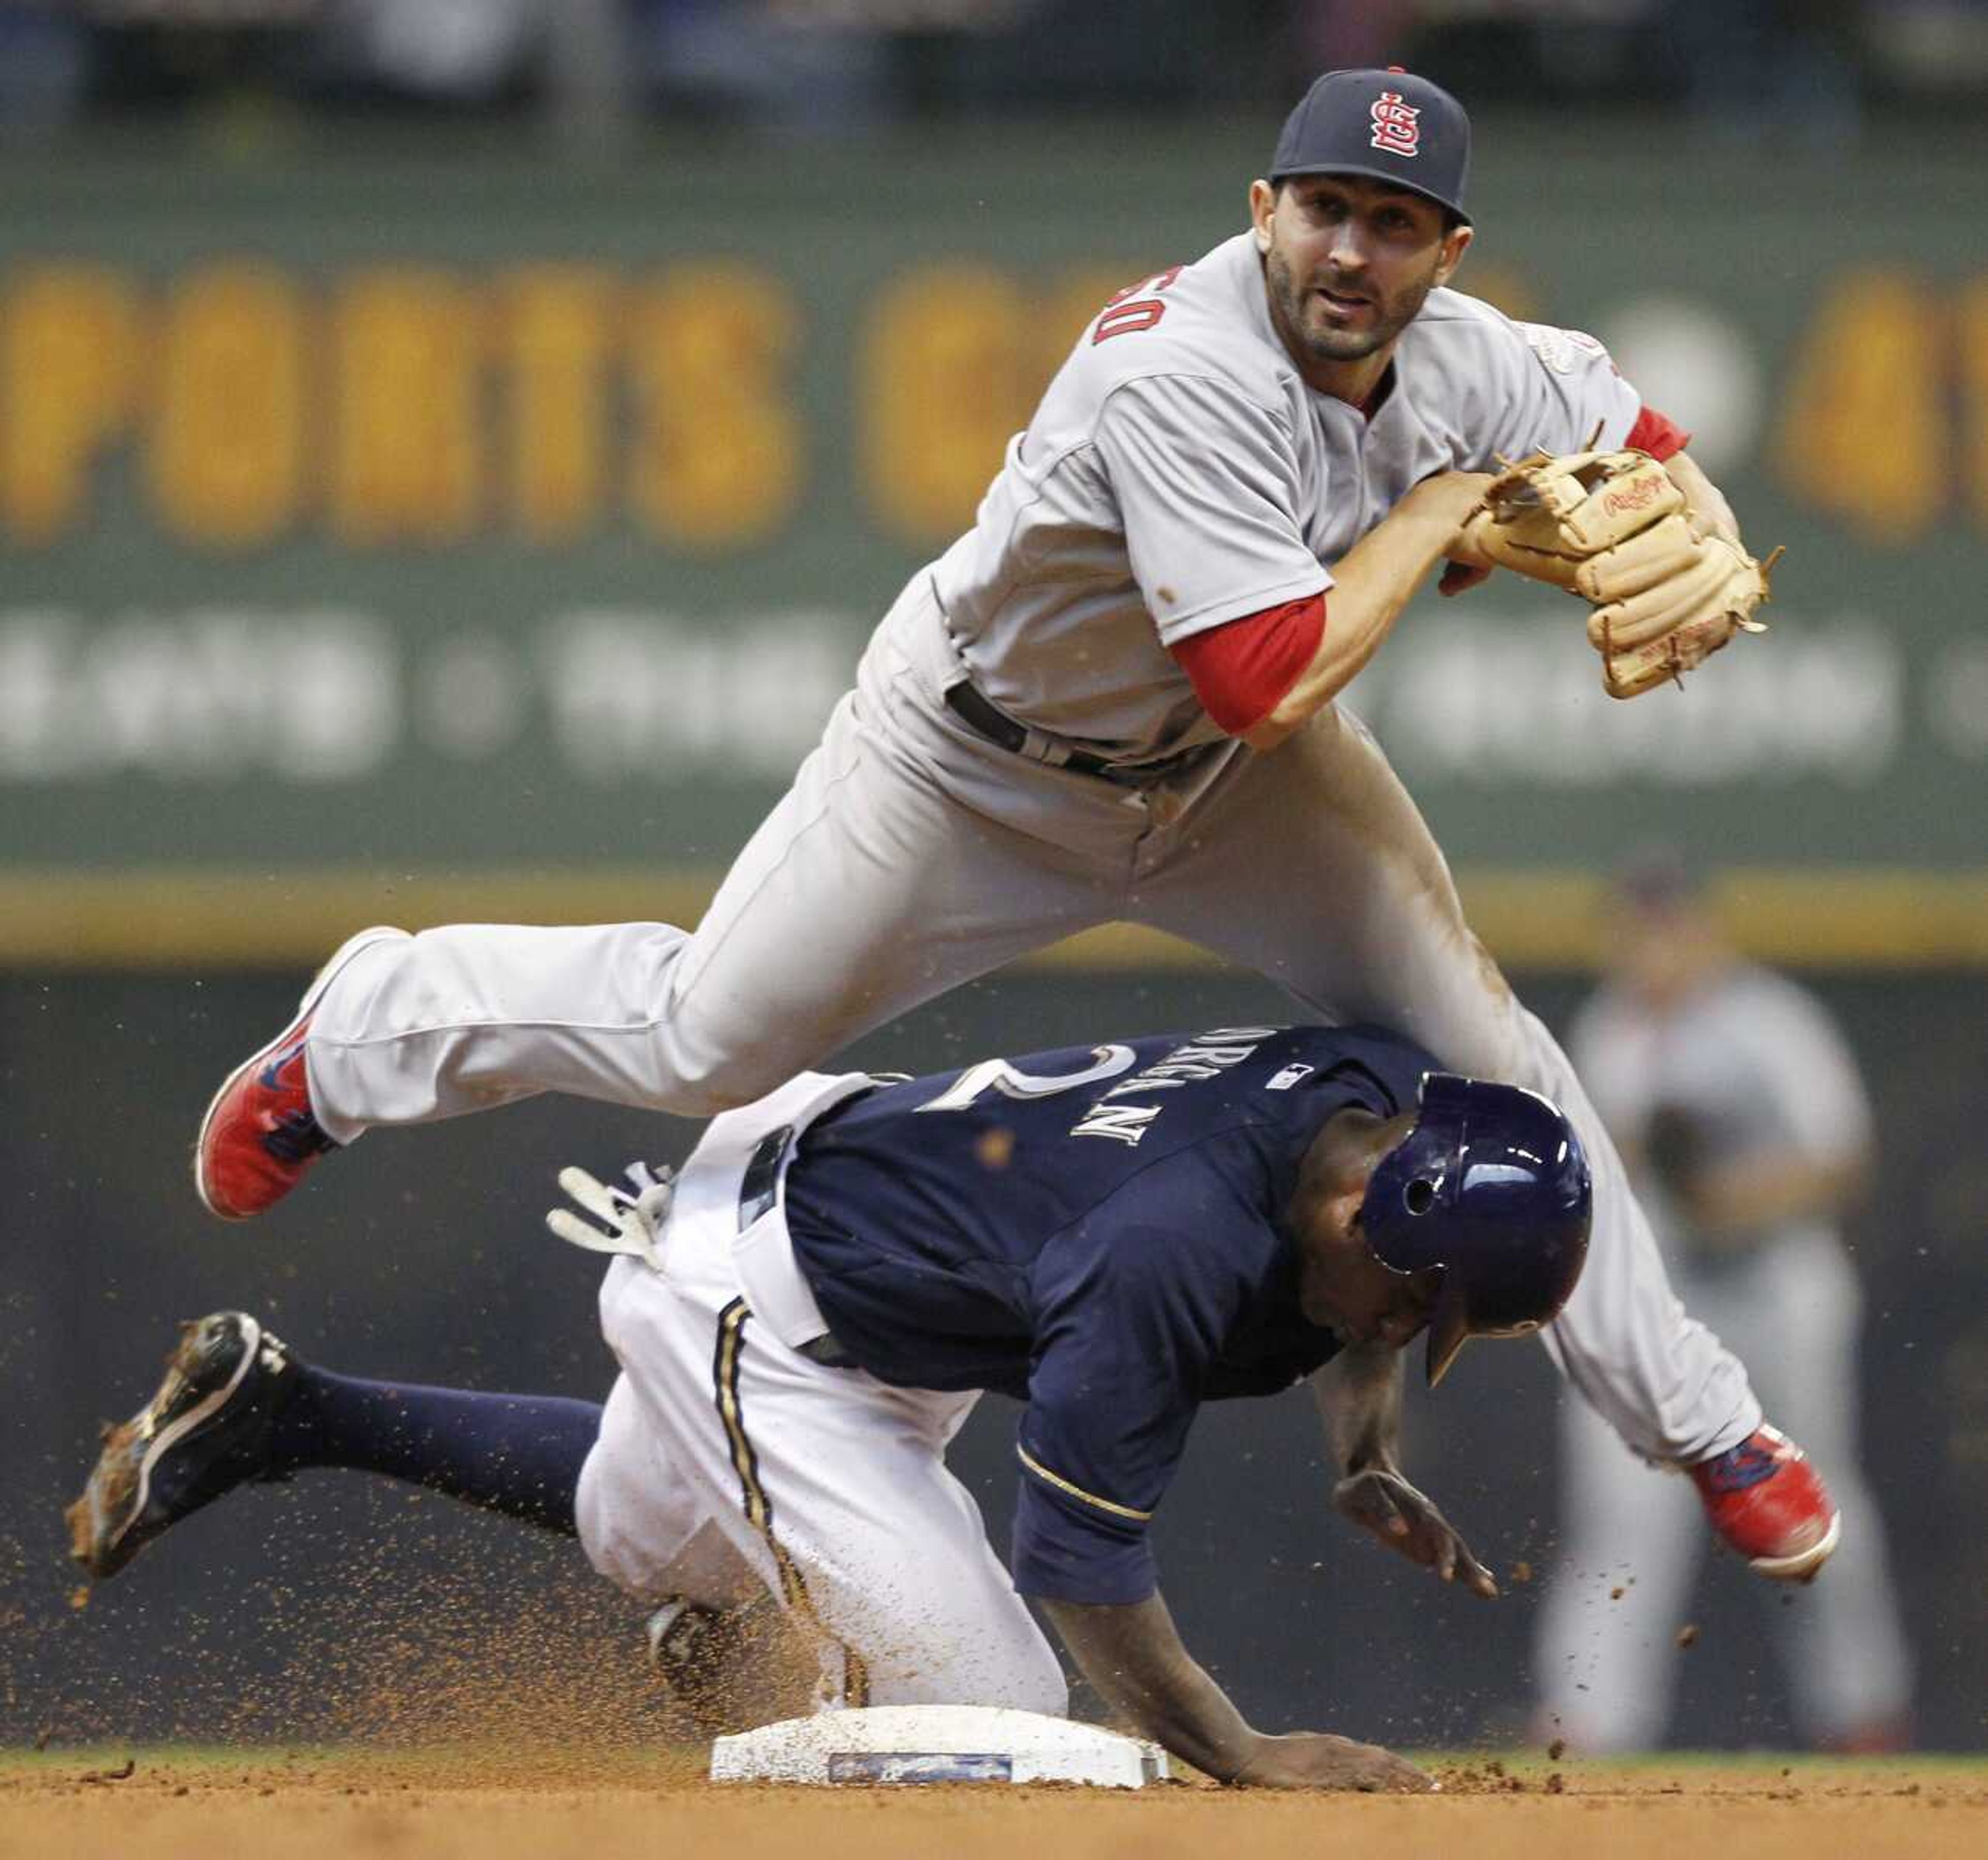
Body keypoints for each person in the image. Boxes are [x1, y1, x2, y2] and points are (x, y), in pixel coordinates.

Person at [191, 67, 1835, 1577]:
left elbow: (1654, 454)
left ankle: (1709, 1427)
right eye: (1325, 208)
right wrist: (1438, 514)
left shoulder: (1488, 361)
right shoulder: (1176, 370)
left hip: (1229, 788)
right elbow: (1268, 671)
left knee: (1496, 1055)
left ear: (1447, 252)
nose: (1353, 249)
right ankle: (365, 1030)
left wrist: (1692, 514)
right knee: (706, 1038)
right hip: (976, 768)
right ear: (1264, 210)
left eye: (1394, 225)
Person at [80, 1023, 1590, 1790]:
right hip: (769, 1290)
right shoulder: (1169, 1255)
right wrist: (1243, 1752)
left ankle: (282, 1411)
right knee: (1001, 1712)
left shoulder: (1378, 1101)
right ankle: (806, 1668)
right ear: (1360, 1220)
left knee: (640, 1529)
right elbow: (1080, 1569)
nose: (1405, 1330)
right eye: (1415, 1304)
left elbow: (1380, 1272)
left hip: (893, 1243)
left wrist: (1365, 1441)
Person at [1534, 859, 1913, 1750]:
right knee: (1624, 1520)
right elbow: (1602, 1171)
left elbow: (1839, 1163)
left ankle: (1861, 1716)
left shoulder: (1770, 1021)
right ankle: (1586, 1726)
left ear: (1704, 928)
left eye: (1671, 923)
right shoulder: (1611, 1031)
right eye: (1639, 926)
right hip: (1661, 1310)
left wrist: (1727, 1201)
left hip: (1778, 1295)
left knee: (1815, 1513)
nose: (1655, 945)